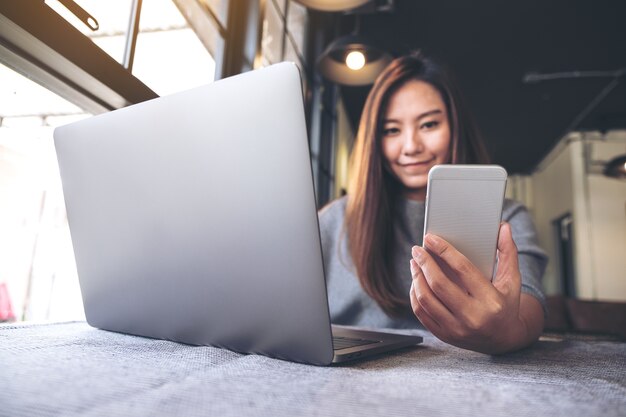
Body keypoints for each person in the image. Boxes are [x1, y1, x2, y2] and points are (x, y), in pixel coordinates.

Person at [318, 51, 548, 354]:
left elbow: (529, 304)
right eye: (391, 130)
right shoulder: (333, 219)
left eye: (428, 125)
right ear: (374, 141)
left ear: (455, 128)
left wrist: (509, 329)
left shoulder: (507, 216)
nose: (411, 146)